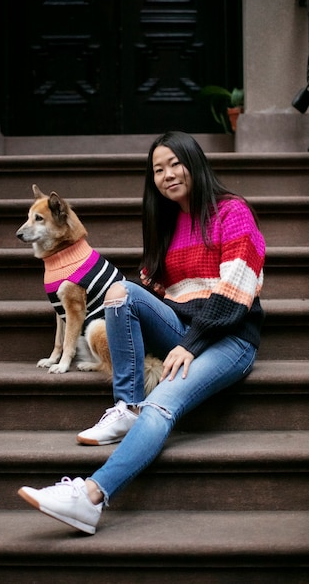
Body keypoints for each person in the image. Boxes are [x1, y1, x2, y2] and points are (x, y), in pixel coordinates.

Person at [18, 131, 266, 535]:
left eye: (175, 163)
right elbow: (153, 288)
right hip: (184, 329)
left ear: (195, 163)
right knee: (120, 291)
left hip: (229, 338)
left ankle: (90, 496)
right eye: (158, 169)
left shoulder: (231, 212)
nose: (167, 175)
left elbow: (234, 293)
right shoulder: (166, 220)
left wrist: (190, 344)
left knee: (163, 403)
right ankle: (126, 405)